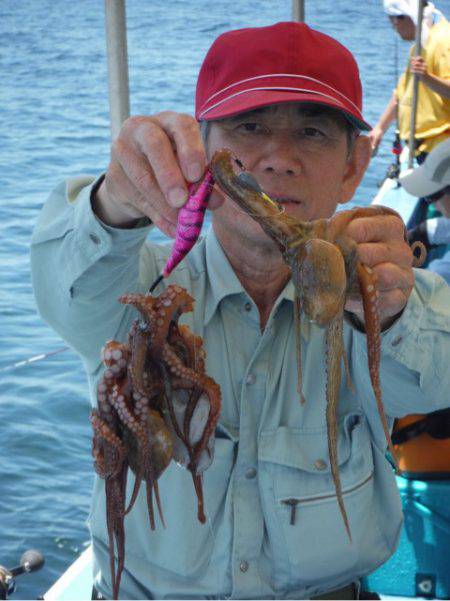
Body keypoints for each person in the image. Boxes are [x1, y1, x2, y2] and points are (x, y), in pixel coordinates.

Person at [31, 21, 450, 600]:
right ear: (200, 151)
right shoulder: (138, 287)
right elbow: (64, 289)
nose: (279, 158)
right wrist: (113, 204)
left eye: (312, 132)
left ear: (354, 166)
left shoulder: (374, 290)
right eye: (248, 127)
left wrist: (394, 311)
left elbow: (429, 384)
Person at [369, 0, 450, 157]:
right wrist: (379, 128)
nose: (393, 26)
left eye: (392, 19)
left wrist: (426, 78)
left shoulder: (444, 40)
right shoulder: (419, 46)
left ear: (404, 17)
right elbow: (401, 94)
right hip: (418, 149)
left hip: (439, 150)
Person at [401, 137, 450, 283]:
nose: (433, 205)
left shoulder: (443, 273)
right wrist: (419, 233)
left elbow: (430, 291)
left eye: (432, 196)